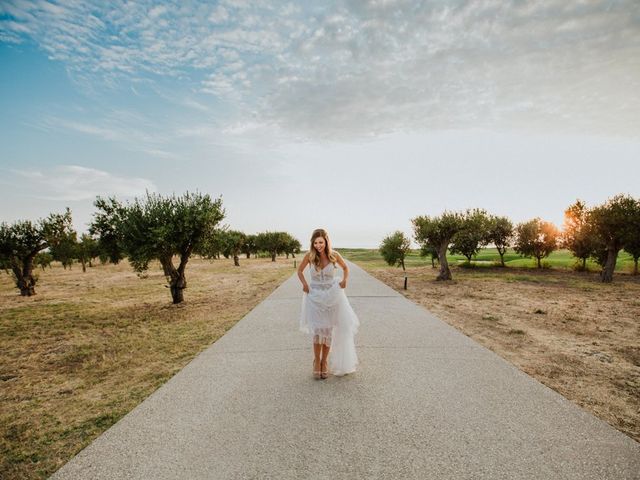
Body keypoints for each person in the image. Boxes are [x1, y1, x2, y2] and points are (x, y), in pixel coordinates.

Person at [297, 228, 360, 379]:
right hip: (315, 296)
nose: (318, 245)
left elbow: (345, 268)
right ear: (313, 243)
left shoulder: (334, 255)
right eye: (316, 242)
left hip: (332, 296)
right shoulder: (309, 256)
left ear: (326, 241)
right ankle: (316, 361)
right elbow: (299, 271)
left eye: (321, 242)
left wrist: (345, 280)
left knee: (328, 331)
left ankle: (325, 361)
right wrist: (304, 284)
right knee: (318, 330)